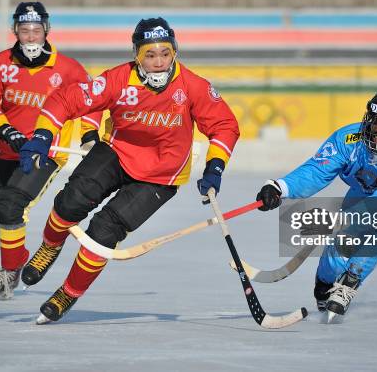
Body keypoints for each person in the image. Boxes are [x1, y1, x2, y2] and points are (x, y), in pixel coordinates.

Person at [18, 17, 239, 323]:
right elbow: (66, 100)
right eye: (150, 54)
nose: (159, 62)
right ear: (137, 54)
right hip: (117, 153)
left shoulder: (193, 86)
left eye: (165, 53)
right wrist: (42, 136)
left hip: (161, 176)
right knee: (71, 202)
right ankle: (49, 247)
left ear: (174, 52)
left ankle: (68, 292)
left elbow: (225, 126)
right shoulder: (118, 80)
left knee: (104, 230)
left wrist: (215, 167)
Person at [0, 2, 102, 300]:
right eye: (24, 30)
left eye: (36, 30)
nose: (30, 37)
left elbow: (91, 102)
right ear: (15, 30)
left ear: (46, 31)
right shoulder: (0, 63)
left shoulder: (68, 69)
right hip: (5, 149)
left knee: (10, 206)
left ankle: (10, 273)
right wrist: (6, 131)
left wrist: (90, 135)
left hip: (46, 153)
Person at [256, 89, 377, 320]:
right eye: (376, 122)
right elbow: (317, 171)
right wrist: (280, 187)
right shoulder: (347, 139)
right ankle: (325, 283)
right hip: (364, 192)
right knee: (342, 245)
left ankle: (350, 282)